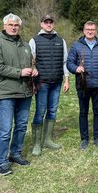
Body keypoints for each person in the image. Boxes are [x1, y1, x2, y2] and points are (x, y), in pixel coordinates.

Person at [0, 13, 38, 176]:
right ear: (4, 26)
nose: (13, 27)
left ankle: (15, 154)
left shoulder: (24, 44)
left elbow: (31, 63)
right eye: (10, 25)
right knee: (5, 129)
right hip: (6, 92)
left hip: (24, 92)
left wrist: (33, 70)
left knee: (22, 125)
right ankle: (1, 161)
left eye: (16, 25)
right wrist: (20, 72)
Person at [28, 14, 70, 156]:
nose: (48, 24)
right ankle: (37, 144)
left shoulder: (61, 41)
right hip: (42, 82)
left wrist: (67, 79)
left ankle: (47, 140)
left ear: (53, 24)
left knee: (52, 111)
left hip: (56, 82)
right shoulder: (34, 41)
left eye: (51, 22)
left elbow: (65, 62)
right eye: (46, 22)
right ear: (41, 24)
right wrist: (33, 72)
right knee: (40, 111)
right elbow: (30, 61)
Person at [67, 21, 98, 150]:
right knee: (83, 112)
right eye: (88, 29)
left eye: (92, 29)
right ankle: (84, 139)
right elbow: (69, 62)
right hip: (83, 85)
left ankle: (97, 138)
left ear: (96, 31)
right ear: (83, 30)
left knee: (97, 112)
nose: (90, 31)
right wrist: (76, 68)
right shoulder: (76, 46)